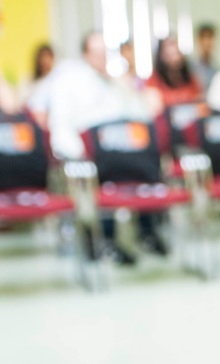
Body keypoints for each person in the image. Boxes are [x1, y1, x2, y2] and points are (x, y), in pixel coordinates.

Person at [49, 31, 167, 264]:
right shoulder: (69, 83)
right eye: (97, 54)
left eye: (105, 54)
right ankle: (106, 240)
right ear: (85, 55)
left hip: (126, 149)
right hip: (93, 156)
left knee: (147, 159)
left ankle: (147, 231)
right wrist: (81, 155)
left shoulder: (116, 83)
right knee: (103, 175)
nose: (102, 59)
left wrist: (140, 94)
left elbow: (140, 115)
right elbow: (60, 126)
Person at [146, 36, 203, 111]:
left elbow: (200, 105)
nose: (175, 57)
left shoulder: (192, 79)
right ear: (162, 55)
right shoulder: (153, 81)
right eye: (170, 54)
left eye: (177, 52)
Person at [192, 23, 219, 91]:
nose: (207, 42)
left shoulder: (219, 69)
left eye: (210, 38)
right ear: (198, 40)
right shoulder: (190, 68)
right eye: (203, 38)